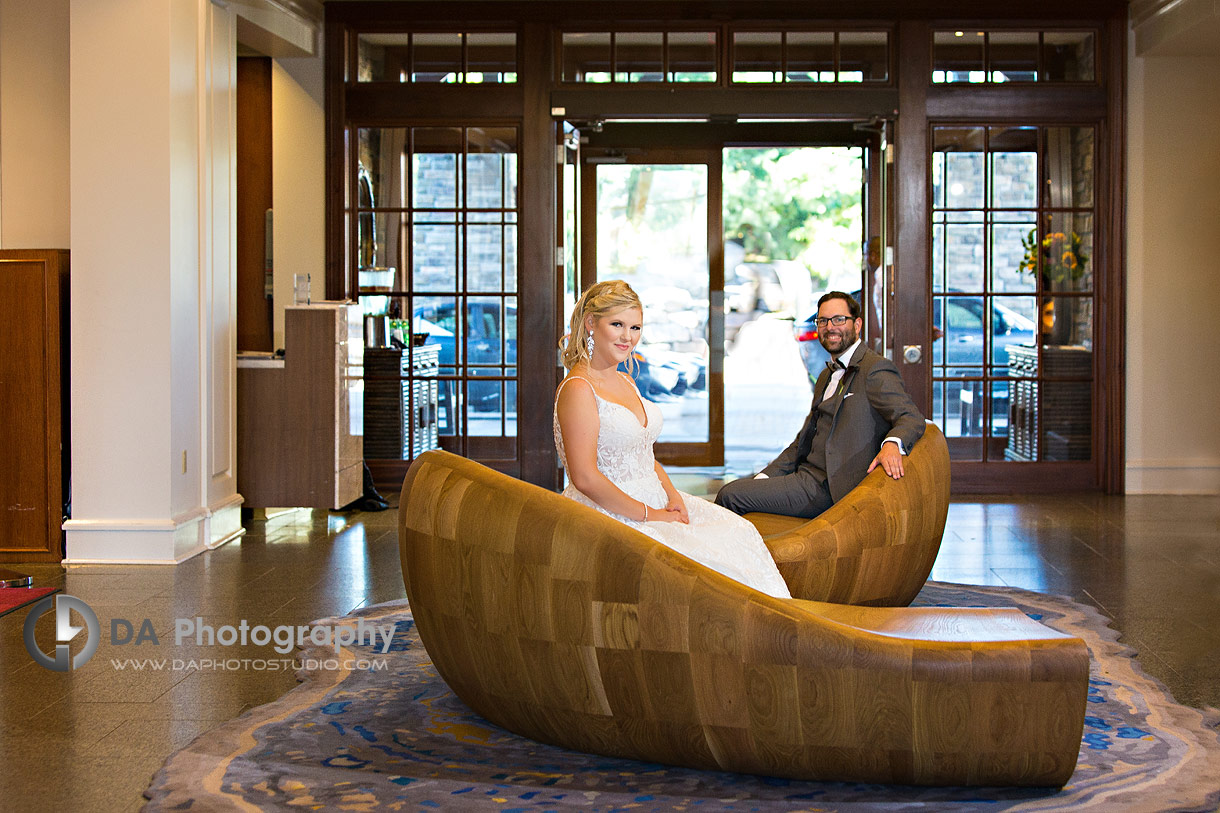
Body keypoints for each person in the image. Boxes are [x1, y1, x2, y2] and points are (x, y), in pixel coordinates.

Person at [554, 280, 791, 598]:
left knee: (738, 531)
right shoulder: (579, 388)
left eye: (635, 327)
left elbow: (643, 456)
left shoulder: (625, 380)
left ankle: (775, 629)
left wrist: (673, 497)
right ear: (590, 324)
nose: (628, 337)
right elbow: (584, 478)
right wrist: (653, 515)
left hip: (653, 497)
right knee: (705, 565)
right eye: (617, 325)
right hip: (608, 512)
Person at [715, 291, 925, 520]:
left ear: (857, 325)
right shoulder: (826, 375)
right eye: (823, 321)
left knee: (730, 495)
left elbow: (910, 417)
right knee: (743, 489)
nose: (829, 327)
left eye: (838, 319)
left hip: (829, 488)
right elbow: (802, 442)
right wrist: (764, 479)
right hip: (804, 477)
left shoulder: (875, 369)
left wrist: (892, 444)